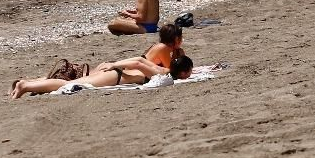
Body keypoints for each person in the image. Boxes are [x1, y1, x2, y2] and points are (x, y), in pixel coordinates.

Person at [11, 54, 194, 98]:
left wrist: (116, 64)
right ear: (184, 73)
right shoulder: (161, 75)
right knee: (71, 84)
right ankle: (25, 86)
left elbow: (139, 58)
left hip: (116, 74)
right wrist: (115, 65)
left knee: (71, 83)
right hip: (115, 76)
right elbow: (137, 64)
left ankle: (27, 83)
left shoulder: (162, 70)